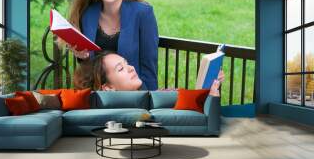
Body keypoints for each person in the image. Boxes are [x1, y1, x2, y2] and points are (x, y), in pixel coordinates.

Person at [67, 0, 159, 90]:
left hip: (134, 97)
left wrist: (149, 101)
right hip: (98, 95)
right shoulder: (87, 13)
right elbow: (91, 67)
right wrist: (82, 57)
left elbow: (149, 66)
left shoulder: (143, 13)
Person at [74, 51, 224, 97]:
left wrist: (210, 88)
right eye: (121, 68)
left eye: (127, 63)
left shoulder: (154, 96)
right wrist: (210, 95)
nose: (131, 68)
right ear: (107, 88)